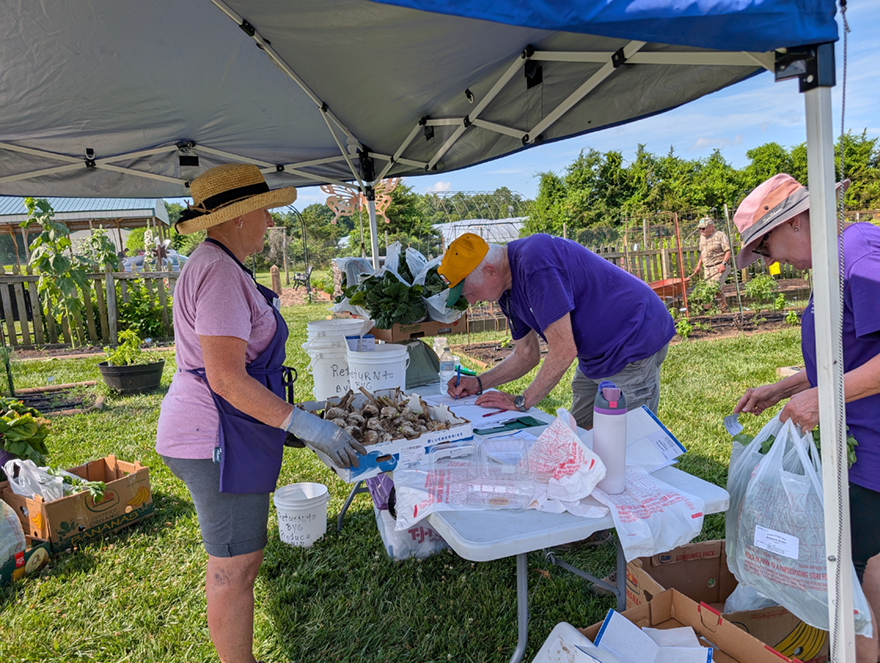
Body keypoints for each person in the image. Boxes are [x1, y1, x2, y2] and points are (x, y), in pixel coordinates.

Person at [155, 164, 365, 663]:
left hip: (225, 426)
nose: (270, 222)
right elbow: (227, 378)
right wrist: (306, 425)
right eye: (265, 212)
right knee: (235, 566)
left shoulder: (217, 264)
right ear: (241, 216)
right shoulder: (220, 274)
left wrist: (289, 415)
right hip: (214, 437)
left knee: (239, 559)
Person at [732, 173, 880, 663]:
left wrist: (825, 398)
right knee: (865, 569)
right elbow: (847, 354)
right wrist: (786, 386)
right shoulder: (829, 270)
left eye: (767, 246)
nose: (771, 262)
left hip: (873, 452)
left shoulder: (855, 249)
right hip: (855, 449)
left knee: (856, 578)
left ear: (796, 221)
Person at [440, 232, 675, 431]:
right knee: (579, 437)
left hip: (633, 336)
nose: (470, 301)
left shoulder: (534, 262)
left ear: (490, 271)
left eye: (469, 293)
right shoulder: (506, 291)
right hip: (595, 355)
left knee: (626, 445)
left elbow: (563, 349)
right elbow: (526, 354)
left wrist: (522, 401)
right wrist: (479, 382)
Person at [689, 216, 731, 312]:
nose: (701, 231)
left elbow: (728, 251)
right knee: (716, 289)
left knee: (711, 289)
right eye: (700, 228)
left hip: (719, 266)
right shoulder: (702, 238)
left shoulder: (720, 236)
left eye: (703, 228)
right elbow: (702, 253)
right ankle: (724, 308)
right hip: (707, 268)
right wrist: (699, 265)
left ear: (711, 227)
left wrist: (723, 264)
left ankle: (706, 310)